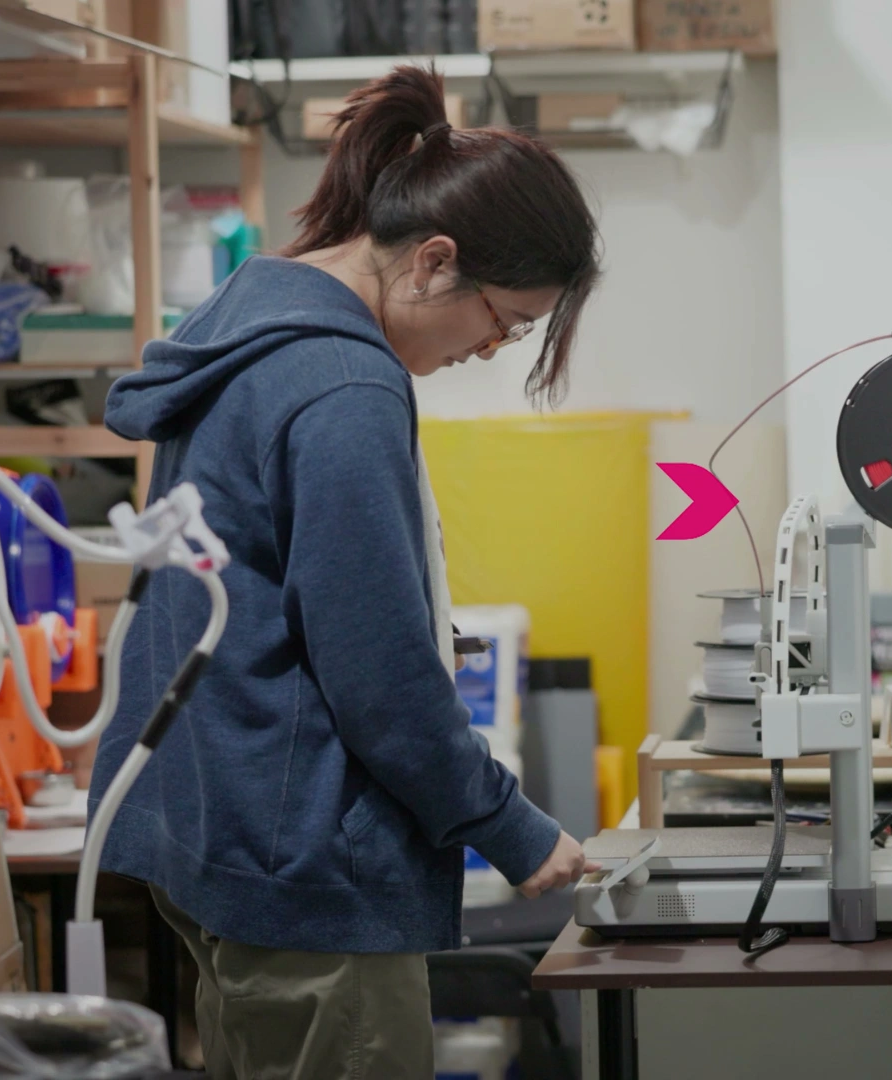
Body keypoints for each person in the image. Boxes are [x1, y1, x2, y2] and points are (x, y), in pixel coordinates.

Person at [91, 66, 601, 1080]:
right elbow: (378, 673)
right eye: (506, 320)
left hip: (215, 835)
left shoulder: (244, 330)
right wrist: (509, 824)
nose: (493, 348)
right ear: (433, 261)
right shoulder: (345, 386)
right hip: (308, 866)